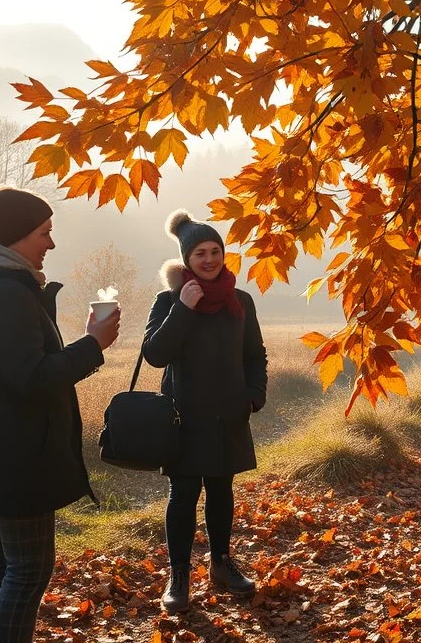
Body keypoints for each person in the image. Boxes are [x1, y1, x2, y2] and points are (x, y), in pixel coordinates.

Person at [0, 186, 120, 643]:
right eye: (44, 232)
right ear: (16, 237)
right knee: (28, 571)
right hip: (15, 454)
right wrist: (92, 343)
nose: (51, 243)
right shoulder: (4, 293)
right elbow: (30, 378)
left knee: (5, 563)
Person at [144, 210, 268, 613]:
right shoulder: (168, 301)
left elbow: (255, 355)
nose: (211, 259)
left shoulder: (241, 300)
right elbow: (155, 355)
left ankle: (221, 564)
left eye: (216, 251)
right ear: (187, 259)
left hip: (229, 414)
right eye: (200, 253)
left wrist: (253, 396)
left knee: (221, 490)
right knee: (182, 493)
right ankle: (179, 575)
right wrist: (183, 308)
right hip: (183, 417)